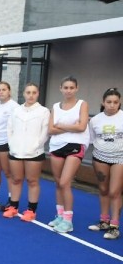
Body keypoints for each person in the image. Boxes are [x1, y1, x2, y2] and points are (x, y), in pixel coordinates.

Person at [47, 76, 90, 233]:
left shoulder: (82, 104)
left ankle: (68, 220)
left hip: (75, 146)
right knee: (58, 183)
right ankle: (59, 215)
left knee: (65, 182)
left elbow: (82, 127)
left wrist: (62, 125)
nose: (68, 90)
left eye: (72, 87)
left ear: (76, 88)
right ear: (61, 89)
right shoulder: (55, 106)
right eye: (66, 87)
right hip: (56, 146)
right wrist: (71, 126)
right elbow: (50, 129)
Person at [2, 83, 50, 222]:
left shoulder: (44, 111)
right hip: (16, 152)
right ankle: (13, 207)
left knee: (32, 181)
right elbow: (10, 129)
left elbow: (44, 133)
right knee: (16, 179)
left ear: (38, 94)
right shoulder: (16, 110)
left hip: (34, 153)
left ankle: (31, 210)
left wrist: (35, 147)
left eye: (34, 92)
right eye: (28, 92)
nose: (31, 95)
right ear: (23, 94)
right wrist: (12, 145)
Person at [87, 87, 123, 240]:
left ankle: (114, 226)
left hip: (119, 158)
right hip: (100, 157)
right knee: (103, 189)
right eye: (109, 102)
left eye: (115, 102)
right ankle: (104, 221)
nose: (112, 105)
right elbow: (91, 139)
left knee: (114, 191)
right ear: (103, 102)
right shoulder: (95, 120)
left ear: (119, 103)